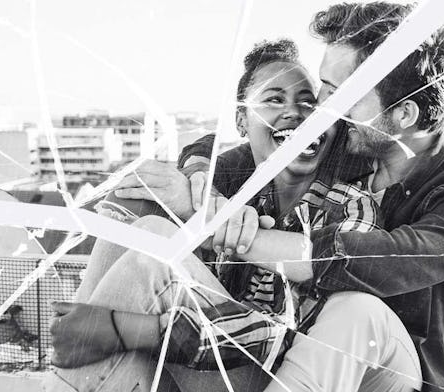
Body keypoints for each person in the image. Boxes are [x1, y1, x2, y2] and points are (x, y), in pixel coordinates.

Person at [45, 38, 422, 392]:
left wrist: (140, 329)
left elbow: (306, 343)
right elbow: (200, 152)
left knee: (151, 250)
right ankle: (73, 342)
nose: (295, 112)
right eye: (274, 99)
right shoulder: (236, 187)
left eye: (309, 102)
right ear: (242, 122)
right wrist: (195, 173)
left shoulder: (351, 206)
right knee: (136, 209)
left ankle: (67, 360)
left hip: (281, 372)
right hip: (212, 360)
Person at [177, 3, 444, 391]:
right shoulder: (349, 140)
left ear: (403, 115)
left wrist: (232, 233)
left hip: (387, 370)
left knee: (357, 309)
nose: (320, 103)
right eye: (324, 85)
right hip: (298, 348)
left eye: (338, 91)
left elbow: (377, 260)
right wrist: (199, 174)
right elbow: (244, 144)